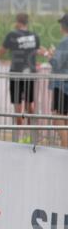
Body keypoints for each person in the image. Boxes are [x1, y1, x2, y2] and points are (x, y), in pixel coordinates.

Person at [0, 12, 41, 133]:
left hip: (16, 72)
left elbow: (1, 51)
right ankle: (33, 131)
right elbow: (37, 51)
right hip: (30, 73)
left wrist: (0, 59)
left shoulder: (12, 35)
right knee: (29, 103)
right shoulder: (35, 36)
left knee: (17, 104)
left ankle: (19, 133)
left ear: (17, 22)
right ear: (27, 22)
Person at [43, 14, 68, 147]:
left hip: (62, 85)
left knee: (58, 119)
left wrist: (47, 54)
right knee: (64, 120)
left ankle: (64, 150)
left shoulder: (65, 42)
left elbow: (57, 63)